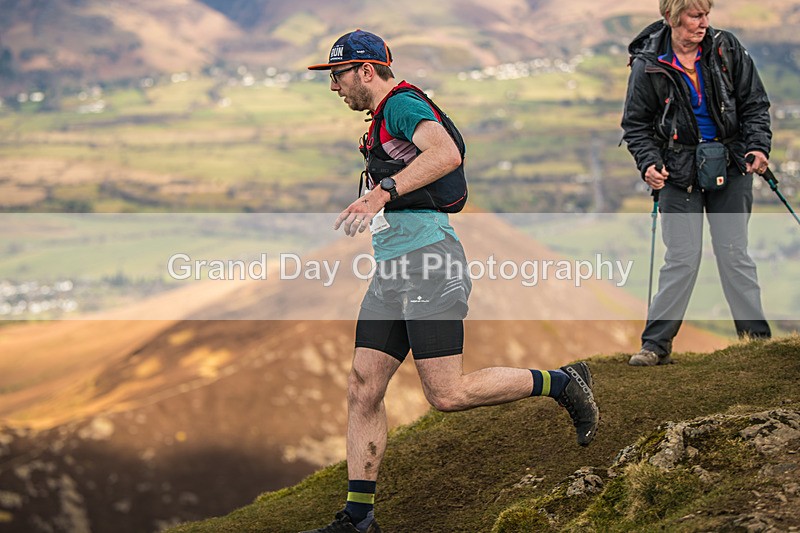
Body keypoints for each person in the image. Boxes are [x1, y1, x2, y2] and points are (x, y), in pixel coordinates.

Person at [301, 29, 599, 533]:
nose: (334, 86)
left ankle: (562, 382)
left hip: (429, 263)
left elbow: (445, 154)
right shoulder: (382, 117)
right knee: (363, 385)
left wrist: (382, 193)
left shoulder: (400, 105)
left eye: (338, 75)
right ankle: (358, 519)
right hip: (393, 268)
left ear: (366, 71)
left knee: (447, 394)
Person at [621, 0, 772, 366]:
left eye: (706, 15)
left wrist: (757, 146)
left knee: (734, 255)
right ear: (672, 18)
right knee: (682, 260)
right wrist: (649, 164)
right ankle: (655, 346)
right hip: (677, 173)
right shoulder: (648, 65)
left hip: (731, 165)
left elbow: (754, 103)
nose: (704, 23)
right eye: (695, 16)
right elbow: (636, 126)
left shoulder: (726, 48)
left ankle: (757, 343)